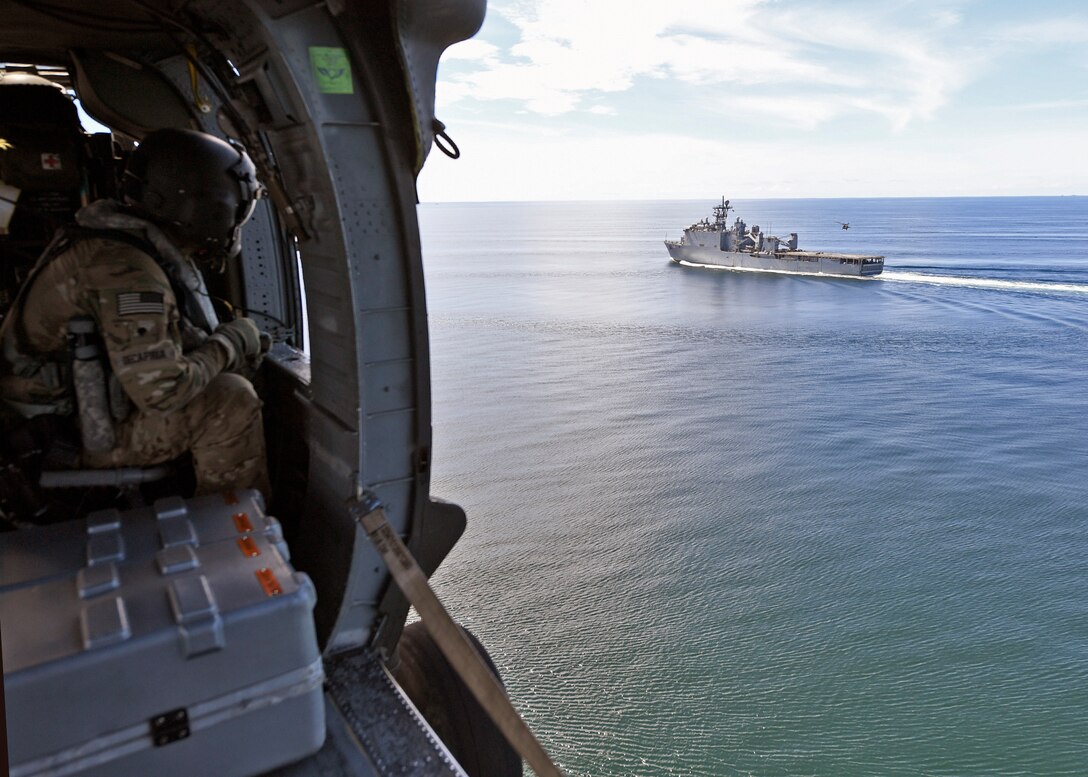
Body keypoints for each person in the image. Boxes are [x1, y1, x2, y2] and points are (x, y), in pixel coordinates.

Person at [0, 128, 271, 496]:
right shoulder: (127, 271)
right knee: (230, 401)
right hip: (54, 435)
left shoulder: (121, 243)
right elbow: (164, 394)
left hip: (52, 412)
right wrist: (232, 342)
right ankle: (234, 533)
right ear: (208, 209)